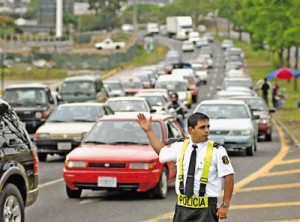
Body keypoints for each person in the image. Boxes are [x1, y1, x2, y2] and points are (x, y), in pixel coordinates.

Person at [137, 112, 234, 221]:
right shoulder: (181, 146)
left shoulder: (217, 150)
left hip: (206, 209)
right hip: (183, 208)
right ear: (191, 130)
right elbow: (162, 152)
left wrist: (225, 205)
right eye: (202, 127)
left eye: (208, 127)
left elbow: (228, 177)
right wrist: (148, 131)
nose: (206, 130)